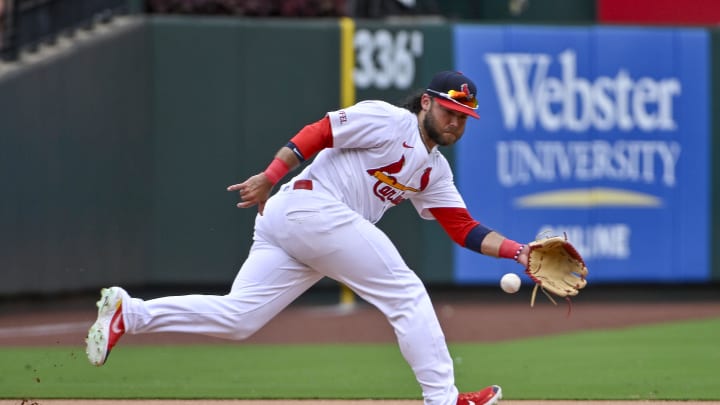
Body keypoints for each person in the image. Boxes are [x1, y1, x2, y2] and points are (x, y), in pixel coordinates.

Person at [86, 70, 530, 405]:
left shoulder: (435, 171)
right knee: (406, 292)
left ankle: (132, 313)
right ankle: (443, 399)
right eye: (450, 112)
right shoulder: (388, 120)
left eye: (464, 117)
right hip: (307, 208)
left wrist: (520, 253)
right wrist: (270, 174)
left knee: (238, 319)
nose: (456, 122)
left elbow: (464, 229)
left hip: (305, 227)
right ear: (427, 104)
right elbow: (319, 132)